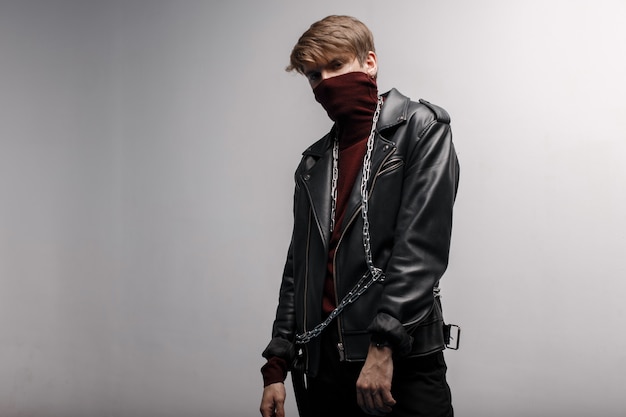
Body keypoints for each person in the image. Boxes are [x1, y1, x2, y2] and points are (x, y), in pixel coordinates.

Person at [260, 15, 459, 417]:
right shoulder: (314, 163)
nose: (326, 83)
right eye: (314, 76)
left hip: (398, 357)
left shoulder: (420, 129)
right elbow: (298, 269)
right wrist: (277, 366)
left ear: (369, 62)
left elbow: (420, 249)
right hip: (322, 367)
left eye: (336, 66)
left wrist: (383, 346)